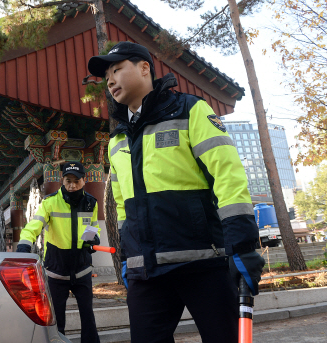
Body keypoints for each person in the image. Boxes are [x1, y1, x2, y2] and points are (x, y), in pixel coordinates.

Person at [87, 41, 265, 343]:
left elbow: (228, 175)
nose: (111, 81)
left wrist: (243, 245)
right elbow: (122, 207)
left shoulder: (191, 110)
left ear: (145, 68)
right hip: (146, 274)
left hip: (203, 262)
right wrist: (129, 260)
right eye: (107, 78)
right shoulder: (117, 140)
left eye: (117, 69)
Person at [16, 161, 101, 343]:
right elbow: (34, 225)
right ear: (62, 181)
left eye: (76, 181)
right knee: (56, 322)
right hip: (56, 272)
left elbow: (93, 227)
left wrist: (94, 239)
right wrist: (24, 244)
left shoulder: (91, 203)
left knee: (88, 317)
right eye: (68, 180)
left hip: (82, 269)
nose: (71, 185)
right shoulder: (50, 202)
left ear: (84, 181)